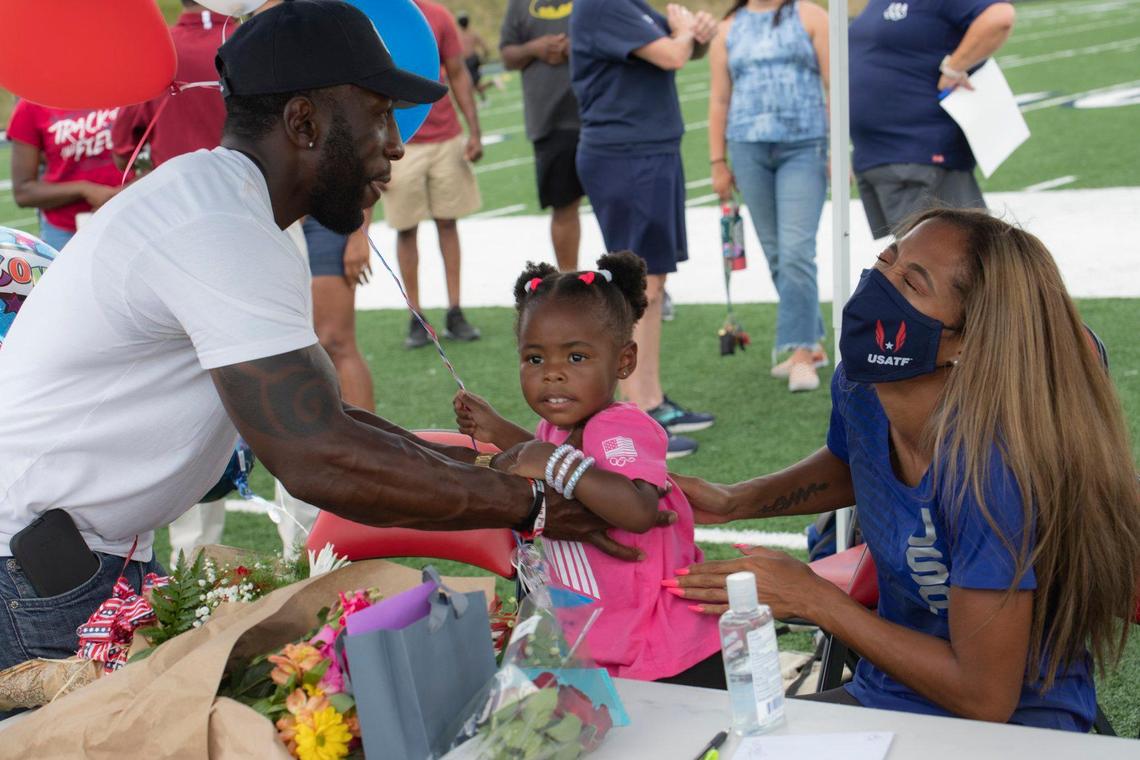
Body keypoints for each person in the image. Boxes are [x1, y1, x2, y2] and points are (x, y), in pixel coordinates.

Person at [0, 0, 663, 675]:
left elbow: (326, 412)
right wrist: (534, 505)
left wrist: (487, 467)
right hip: (35, 568)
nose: (397, 143)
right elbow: (318, 454)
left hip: (74, 553)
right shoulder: (215, 225)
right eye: (378, 116)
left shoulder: (235, 209)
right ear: (304, 121)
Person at [670, 208, 1140, 731]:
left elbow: (985, 698)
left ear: (965, 340)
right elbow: (858, 462)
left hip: (1018, 728)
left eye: (911, 282)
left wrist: (811, 596)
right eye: (885, 263)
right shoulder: (861, 386)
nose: (878, 286)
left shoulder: (993, 472)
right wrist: (738, 500)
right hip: (890, 694)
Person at [454, 252, 722, 687]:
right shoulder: (560, 428)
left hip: (666, 650)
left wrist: (549, 459)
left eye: (576, 358)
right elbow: (549, 451)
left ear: (623, 362)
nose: (553, 375)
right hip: (612, 641)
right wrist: (496, 428)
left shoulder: (619, 424)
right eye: (535, 359)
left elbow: (637, 508)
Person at [570, 0, 718, 458]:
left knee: (653, 283)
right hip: (625, 153)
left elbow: (673, 50)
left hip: (650, 151)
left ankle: (652, 400)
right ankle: (637, 412)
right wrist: (683, 35)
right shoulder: (600, 6)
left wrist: (694, 35)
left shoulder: (632, 6)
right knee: (639, 287)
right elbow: (671, 54)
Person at [708, 0, 830, 392]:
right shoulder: (728, 29)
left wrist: (837, 148)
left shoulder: (811, 16)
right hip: (747, 151)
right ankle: (815, 344)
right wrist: (717, 162)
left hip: (804, 147)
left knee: (796, 251)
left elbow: (836, 84)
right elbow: (719, 99)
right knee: (777, 253)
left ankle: (799, 354)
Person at [849, 0, 1016, 240]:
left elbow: (999, 17)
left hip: (922, 153)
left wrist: (954, 68)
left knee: (950, 260)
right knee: (916, 261)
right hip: (878, 158)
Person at [383, 0, 484, 349]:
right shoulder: (377, 15)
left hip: (446, 137)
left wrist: (475, 130)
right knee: (406, 229)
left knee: (447, 222)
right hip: (400, 141)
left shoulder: (438, 15)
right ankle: (416, 315)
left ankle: (456, 310)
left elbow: (457, 72)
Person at [500, 0, 583, 273]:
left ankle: (634, 284)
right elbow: (508, 55)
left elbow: (620, 36)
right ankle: (570, 286)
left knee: (621, 204)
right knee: (563, 207)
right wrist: (533, 48)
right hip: (550, 120)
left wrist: (578, 46)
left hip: (601, 113)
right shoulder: (519, 4)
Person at [110, 1, 231, 172]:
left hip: (176, 192)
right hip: (246, 191)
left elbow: (122, 152)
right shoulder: (252, 44)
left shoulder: (152, 49)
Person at [6, 101, 128, 251]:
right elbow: (23, 192)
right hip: (64, 232)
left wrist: (123, 192)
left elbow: (160, 160)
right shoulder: (31, 104)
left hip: (129, 215)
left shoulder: (126, 87)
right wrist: (84, 189)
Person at [456, 12, 492, 100]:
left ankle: (491, 84)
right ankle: (484, 98)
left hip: (468, 61)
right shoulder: (473, 33)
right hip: (473, 59)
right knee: (474, 83)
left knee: (471, 84)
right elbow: (484, 47)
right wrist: (485, 57)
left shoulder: (458, 35)